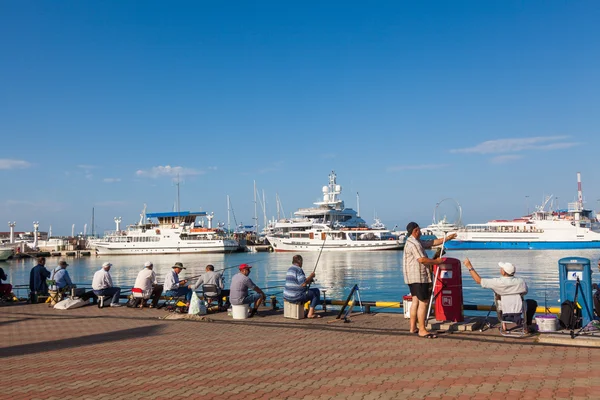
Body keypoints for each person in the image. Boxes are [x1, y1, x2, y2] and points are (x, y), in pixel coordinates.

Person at [402, 222, 457, 338]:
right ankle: (422, 329)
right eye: (419, 230)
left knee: (415, 301)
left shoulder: (414, 241)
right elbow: (421, 259)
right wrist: (436, 262)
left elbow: (431, 243)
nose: (421, 232)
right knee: (424, 302)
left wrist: (448, 238)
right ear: (415, 230)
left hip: (411, 277)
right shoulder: (414, 244)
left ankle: (413, 327)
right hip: (419, 277)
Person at [463, 258, 537, 332]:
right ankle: (526, 326)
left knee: (498, 300)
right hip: (518, 311)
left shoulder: (497, 282)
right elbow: (524, 292)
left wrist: (469, 266)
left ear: (504, 272)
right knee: (532, 303)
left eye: (502, 268)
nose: (500, 269)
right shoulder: (521, 282)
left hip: (504, 312)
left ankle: (503, 323)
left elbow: (478, 280)